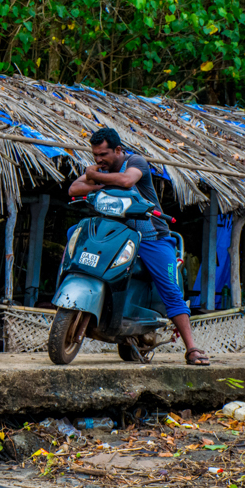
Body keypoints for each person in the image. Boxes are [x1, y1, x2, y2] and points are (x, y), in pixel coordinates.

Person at [68, 128, 210, 366]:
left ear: (119, 150)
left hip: (151, 237)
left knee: (170, 290)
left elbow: (126, 181)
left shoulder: (136, 162)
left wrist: (93, 176)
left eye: (103, 154)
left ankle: (192, 349)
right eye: (95, 155)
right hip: (117, 236)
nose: (98, 160)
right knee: (75, 235)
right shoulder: (102, 168)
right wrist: (94, 176)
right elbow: (74, 189)